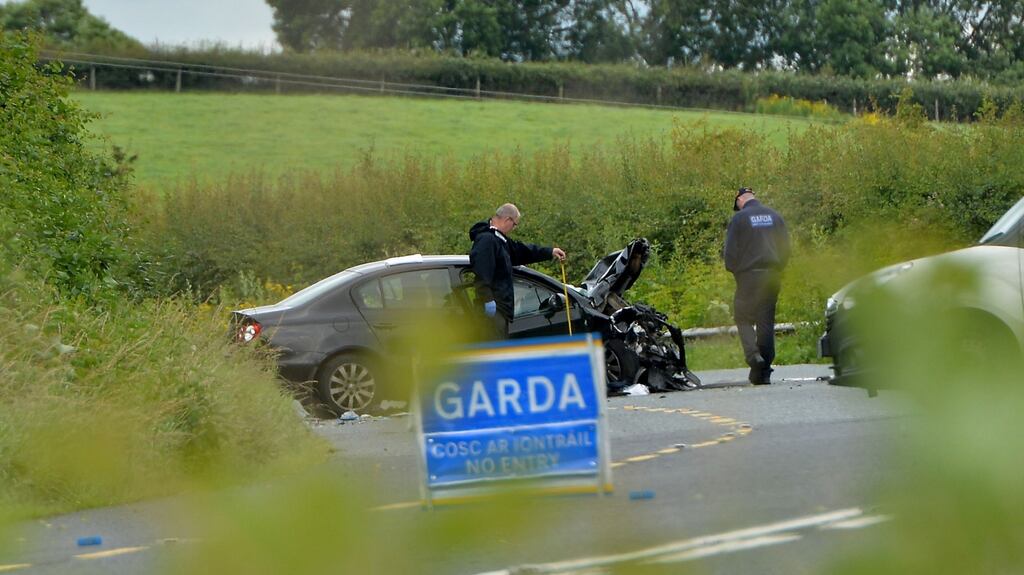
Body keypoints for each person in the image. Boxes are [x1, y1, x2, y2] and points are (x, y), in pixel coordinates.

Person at [723, 187, 791, 384]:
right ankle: (763, 372)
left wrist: (734, 269)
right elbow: (786, 247)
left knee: (743, 317)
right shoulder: (775, 216)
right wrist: (778, 268)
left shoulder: (740, 219)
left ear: (739, 200)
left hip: (748, 276)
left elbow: (730, 251)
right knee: (765, 322)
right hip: (772, 275)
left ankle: (753, 355)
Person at [469, 204, 567, 338]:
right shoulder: (487, 240)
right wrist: (487, 299)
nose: (514, 228)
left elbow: (521, 251)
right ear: (507, 220)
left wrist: (550, 252)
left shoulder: (499, 239)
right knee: (495, 353)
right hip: (493, 312)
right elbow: (482, 273)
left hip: (501, 310)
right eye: (515, 224)